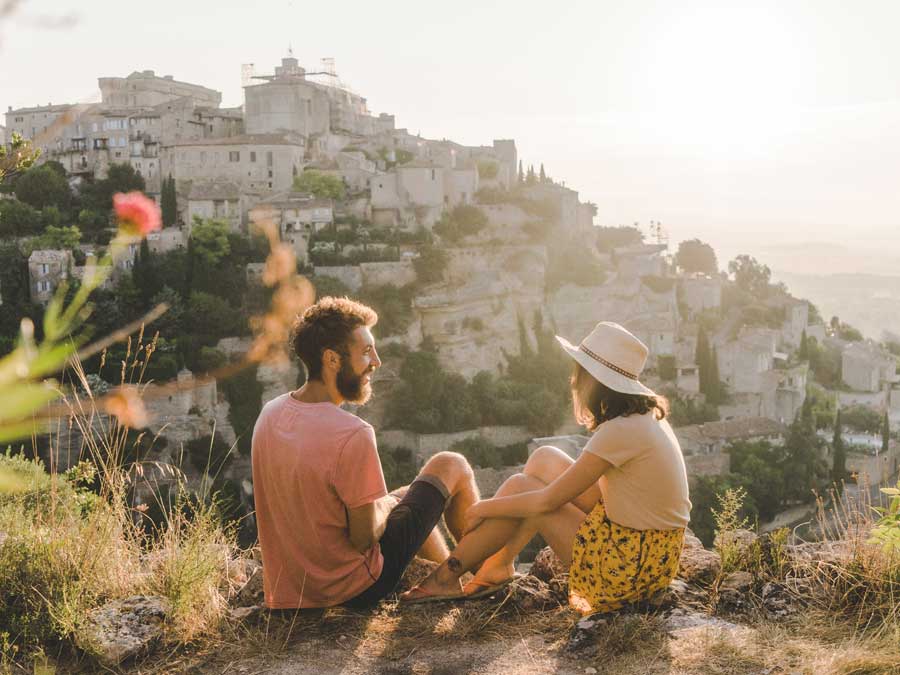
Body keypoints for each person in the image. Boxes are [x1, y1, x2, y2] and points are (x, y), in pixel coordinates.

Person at [402, 321, 691, 613]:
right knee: (545, 458)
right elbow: (592, 495)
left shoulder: (620, 430)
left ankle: (448, 575)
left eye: (579, 370)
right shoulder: (644, 417)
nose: (573, 379)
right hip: (652, 555)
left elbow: (547, 500)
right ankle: (497, 566)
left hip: (628, 572)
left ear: (593, 380)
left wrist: (479, 509)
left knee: (525, 488)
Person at [251, 296, 479, 609]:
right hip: (352, 588)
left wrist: (388, 502)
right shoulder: (352, 433)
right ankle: (484, 578)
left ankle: (450, 583)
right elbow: (364, 537)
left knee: (403, 499)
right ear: (332, 360)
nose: (377, 361)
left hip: (292, 592)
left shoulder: (269, 414)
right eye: (366, 351)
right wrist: (385, 505)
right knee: (451, 464)